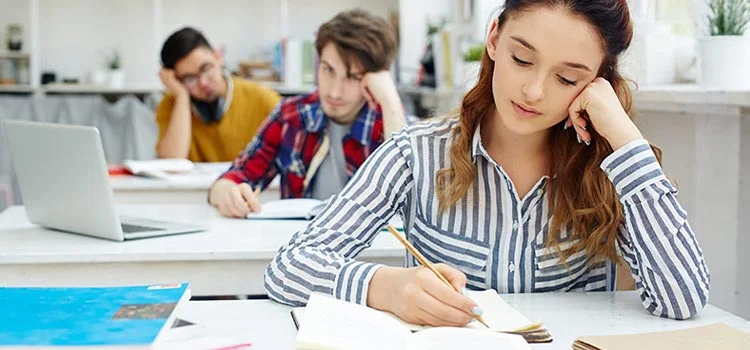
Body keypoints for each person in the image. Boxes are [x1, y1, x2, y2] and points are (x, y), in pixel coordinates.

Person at [264, 0, 710, 326]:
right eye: (521, 58)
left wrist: (624, 136)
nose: (534, 90)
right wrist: (387, 287)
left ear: (598, 83)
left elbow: (684, 299)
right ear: (494, 39)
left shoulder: (608, 167)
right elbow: (290, 266)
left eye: (567, 78)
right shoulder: (415, 152)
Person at [209, 9, 406, 218]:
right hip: (298, 246)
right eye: (328, 70)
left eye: (353, 77)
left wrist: (390, 100)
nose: (334, 92)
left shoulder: (389, 120)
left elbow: (410, 202)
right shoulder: (292, 115)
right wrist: (229, 194)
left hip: (371, 250)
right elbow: (229, 180)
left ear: (376, 78)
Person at [156, 27, 281, 162]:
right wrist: (182, 97)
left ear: (218, 56)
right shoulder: (171, 105)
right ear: (176, 79)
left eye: (206, 68)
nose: (203, 83)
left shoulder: (263, 99)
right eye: (189, 79)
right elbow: (171, 163)